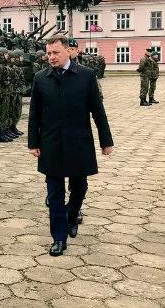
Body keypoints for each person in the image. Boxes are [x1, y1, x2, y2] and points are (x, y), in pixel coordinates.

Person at [28, 35, 113, 257]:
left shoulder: (85, 76)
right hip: (51, 143)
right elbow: (34, 113)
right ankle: (58, 237)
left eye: (55, 52)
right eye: (48, 53)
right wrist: (33, 142)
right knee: (54, 192)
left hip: (78, 141)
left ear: (68, 51)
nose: (51, 57)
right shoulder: (40, 78)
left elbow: (97, 110)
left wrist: (106, 141)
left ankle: (72, 215)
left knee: (79, 188)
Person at [0, 47, 13, 142]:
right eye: (5, 54)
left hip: (6, 93)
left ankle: (4, 131)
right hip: (1, 94)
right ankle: (0, 134)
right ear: (1, 55)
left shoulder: (3, 66)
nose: (7, 56)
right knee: (1, 114)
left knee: (5, 114)